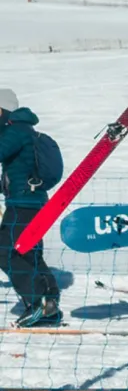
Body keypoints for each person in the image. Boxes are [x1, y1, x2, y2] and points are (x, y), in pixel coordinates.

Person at [0, 90, 62, 328]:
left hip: (24, 204)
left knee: (6, 251)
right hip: (31, 201)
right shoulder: (23, 131)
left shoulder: (15, 131)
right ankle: (49, 304)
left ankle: (38, 303)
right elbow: (18, 171)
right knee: (28, 252)